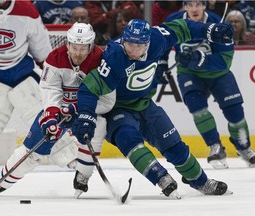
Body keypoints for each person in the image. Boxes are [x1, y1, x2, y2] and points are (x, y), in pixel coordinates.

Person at [71, 18, 234, 198]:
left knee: (174, 146)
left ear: (147, 44)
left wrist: (208, 29)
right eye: (129, 43)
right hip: (118, 110)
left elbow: (182, 27)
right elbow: (89, 88)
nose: (132, 50)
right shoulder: (114, 57)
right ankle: (161, 178)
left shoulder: (157, 40)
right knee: (129, 140)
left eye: (138, 45)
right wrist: (86, 115)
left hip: (146, 105)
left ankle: (201, 181)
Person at [0, 22, 115, 197]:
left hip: (86, 111)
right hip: (60, 111)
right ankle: (0, 182)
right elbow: (51, 91)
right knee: (33, 148)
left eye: (83, 48)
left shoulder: (103, 61)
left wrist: (76, 108)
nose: (78, 53)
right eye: (74, 47)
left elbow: (108, 100)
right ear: (68, 44)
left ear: (91, 46)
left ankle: (83, 174)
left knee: (98, 125)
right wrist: (51, 117)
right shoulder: (55, 58)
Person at [158, 0, 255, 169]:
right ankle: (215, 146)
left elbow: (224, 61)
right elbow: (162, 42)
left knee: (235, 113)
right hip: (189, 74)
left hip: (219, 74)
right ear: (185, 6)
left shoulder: (217, 22)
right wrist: (162, 63)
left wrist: (198, 59)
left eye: (198, 5)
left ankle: (244, 147)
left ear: (204, 6)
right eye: (190, 5)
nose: (194, 9)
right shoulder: (174, 20)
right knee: (198, 110)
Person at [0, 0, 52, 172]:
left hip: (19, 71)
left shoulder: (28, 10)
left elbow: (43, 53)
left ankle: (68, 154)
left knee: (42, 112)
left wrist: (53, 78)